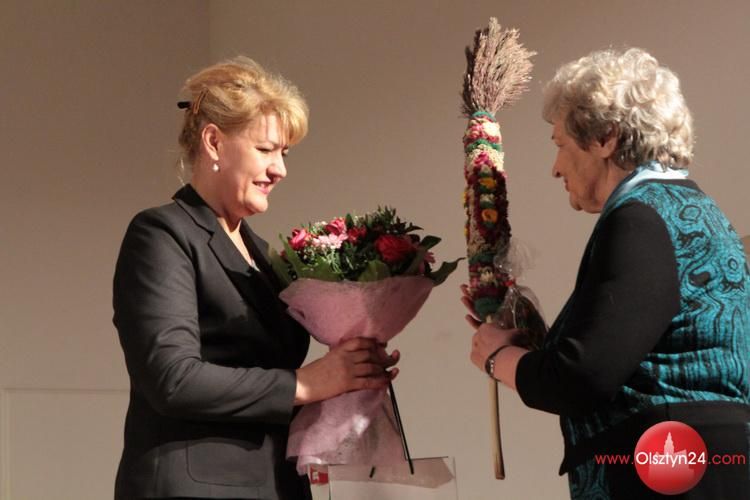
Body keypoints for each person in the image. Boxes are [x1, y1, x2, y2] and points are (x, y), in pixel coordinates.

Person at [466, 48, 749, 499]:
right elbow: (633, 351)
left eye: (560, 143)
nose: (555, 167)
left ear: (605, 138)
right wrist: (531, 337)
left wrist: (497, 357)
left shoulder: (639, 218)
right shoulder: (692, 211)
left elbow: (582, 378)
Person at [113, 56, 399, 500]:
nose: (280, 169)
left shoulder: (264, 255)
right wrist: (306, 382)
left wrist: (351, 369)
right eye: (266, 150)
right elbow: (172, 379)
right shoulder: (162, 234)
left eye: (284, 153)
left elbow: (278, 382)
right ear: (214, 142)